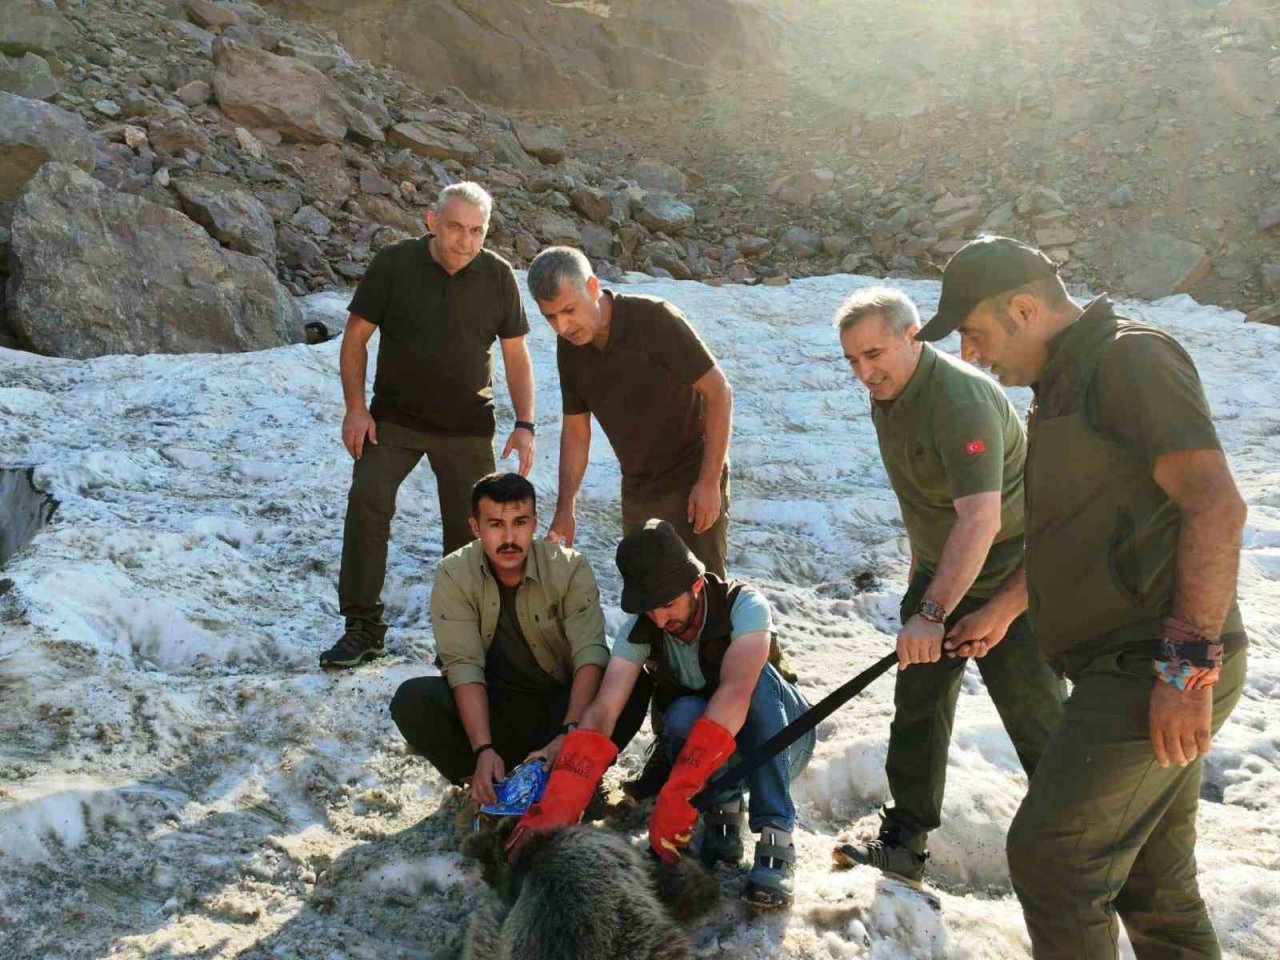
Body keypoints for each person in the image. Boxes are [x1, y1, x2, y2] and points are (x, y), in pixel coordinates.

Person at [920, 235, 1248, 958]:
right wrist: (1003, 610)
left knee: (1054, 857)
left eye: (975, 334)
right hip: (1123, 663)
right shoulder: (1062, 386)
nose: (972, 356)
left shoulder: (1128, 360)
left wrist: (1186, 668)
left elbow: (1216, 505)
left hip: (1152, 662)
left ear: (1024, 307)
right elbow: (1082, 529)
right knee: (1153, 886)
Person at [830, 287, 1065, 885]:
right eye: (852, 360)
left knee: (1037, 717)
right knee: (918, 708)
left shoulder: (958, 399)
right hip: (943, 571)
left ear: (913, 336)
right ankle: (906, 846)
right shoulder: (890, 394)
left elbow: (981, 518)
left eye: (875, 353)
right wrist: (921, 586)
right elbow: (924, 499)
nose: (864, 371)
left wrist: (931, 613)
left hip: (1011, 573)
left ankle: (1082, 852)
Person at [507, 520, 813, 909]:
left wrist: (681, 787)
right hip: (723, 758)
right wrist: (559, 804)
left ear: (697, 585)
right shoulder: (641, 631)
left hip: (784, 741)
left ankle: (776, 834)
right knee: (683, 714)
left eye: (668, 604)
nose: (660, 618)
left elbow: (736, 693)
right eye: (649, 608)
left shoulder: (744, 606)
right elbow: (603, 711)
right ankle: (724, 812)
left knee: (756, 681)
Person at [321, 182, 536, 669]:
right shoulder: (394, 265)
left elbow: (516, 354)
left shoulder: (498, 275)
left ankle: (460, 640)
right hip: (393, 420)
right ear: (431, 220)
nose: (465, 240)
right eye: (456, 227)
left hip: (467, 426)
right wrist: (356, 408)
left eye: (477, 231)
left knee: (470, 532)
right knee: (367, 508)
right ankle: (362, 628)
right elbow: (356, 337)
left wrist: (525, 423)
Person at [389, 472, 648, 805]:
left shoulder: (569, 567)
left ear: (535, 523)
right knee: (413, 700)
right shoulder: (454, 574)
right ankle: (488, 787)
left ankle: (578, 770)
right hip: (494, 713)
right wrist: (482, 749)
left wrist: (569, 735)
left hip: (561, 708)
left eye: (520, 522)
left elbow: (590, 654)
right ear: (475, 527)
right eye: (496, 524)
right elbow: (463, 667)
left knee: (632, 684)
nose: (509, 537)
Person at [525, 246, 733, 577]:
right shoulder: (571, 347)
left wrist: (709, 482)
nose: (563, 326)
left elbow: (718, 391)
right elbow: (577, 432)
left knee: (703, 593)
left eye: (569, 310)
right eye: (550, 317)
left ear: (592, 288)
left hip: (691, 476)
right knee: (647, 592)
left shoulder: (654, 318)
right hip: (638, 488)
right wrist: (566, 508)